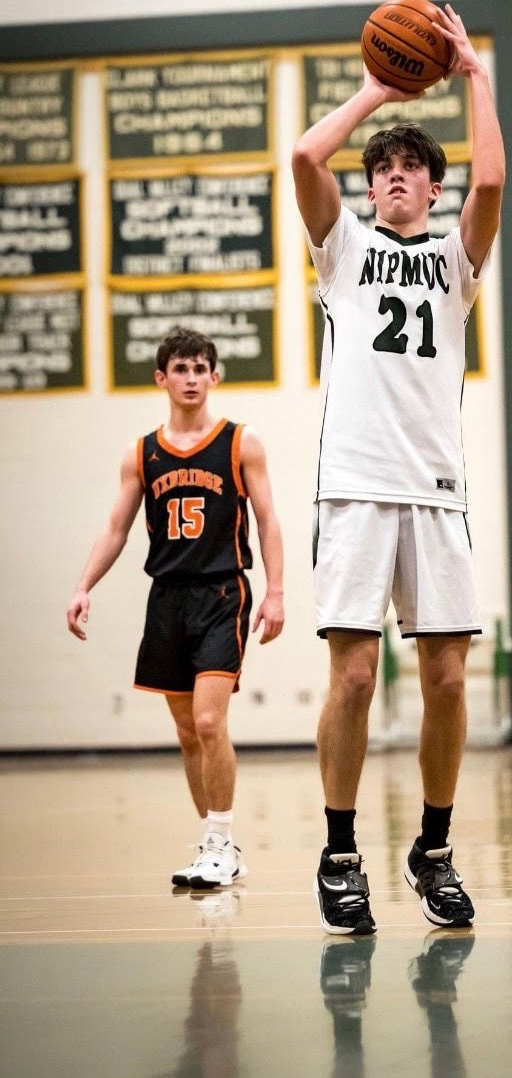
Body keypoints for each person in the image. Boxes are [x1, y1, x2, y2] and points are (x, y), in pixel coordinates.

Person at [292, 3, 505, 933]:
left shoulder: (457, 263)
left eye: (411, 170)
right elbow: (304, 160)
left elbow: (493, 176)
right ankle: (340, 854)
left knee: (450, 680)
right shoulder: (342, 250)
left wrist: (475, 77)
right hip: (354, 485)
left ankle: (435, 848)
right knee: (352, 677)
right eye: (382, 171)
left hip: (436, 489)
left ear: (432, 188)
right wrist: (377, 90)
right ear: (371, 188)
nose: (394, 181)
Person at [66, 326, 284, 888]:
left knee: (211, 721)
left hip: (222, 593)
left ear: (215, 375)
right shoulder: (142, 452)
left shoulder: (241, 442)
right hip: (166, 599)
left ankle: (219, 843)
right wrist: (83, 584)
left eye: (200, 368)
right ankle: (219, 845)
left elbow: (267, 522)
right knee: (189, 734)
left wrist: (277, 593)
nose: (191, 378)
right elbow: (116, 526)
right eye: (180, 369)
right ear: (162, 377)